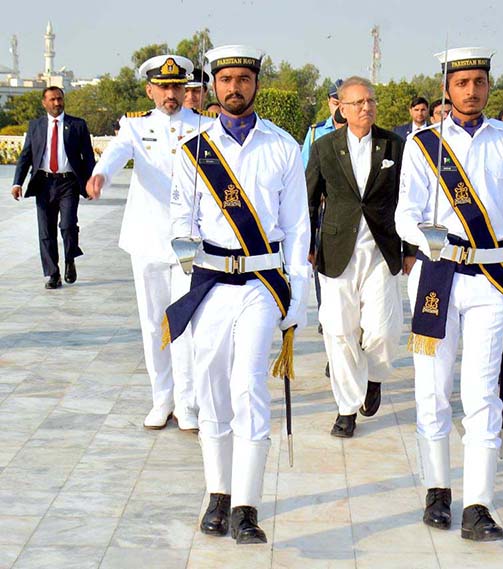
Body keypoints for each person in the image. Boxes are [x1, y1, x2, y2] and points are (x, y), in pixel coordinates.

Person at [166, 44, 311, 544]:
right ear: (212, 85)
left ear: (255, 84)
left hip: (262, 283)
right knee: (210, 385)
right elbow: (180, 220)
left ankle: (247, 506)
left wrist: (297, 297)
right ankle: (218, 494)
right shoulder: (194, 149)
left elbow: (296, 227)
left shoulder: (283, 146)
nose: (234, 87)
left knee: (249, 381)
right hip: (209, 282)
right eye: (225, 79)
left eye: (243, 79)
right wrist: (183, 260)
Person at [395, 47, 503, 542]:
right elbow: (403, 211)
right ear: (447, 88)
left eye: (479, 82)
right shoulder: (422, 144)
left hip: (491, 281)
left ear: (489, 85)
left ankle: (479, 504)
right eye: (461, 83)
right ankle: (437, 489)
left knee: (481, 394)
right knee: (433, 391)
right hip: (436, 276)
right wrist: (427, 237)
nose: (471, 91)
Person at [86, 54, 214, 431]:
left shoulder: (205, 126)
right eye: (164, 87)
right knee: (153, 323)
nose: (171, 94)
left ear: (186, 88)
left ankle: (188, 403)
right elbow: (114, 155)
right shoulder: (134, 127)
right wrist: (99, 176)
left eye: (177, 87)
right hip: (147, 239)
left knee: (185, 323)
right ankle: (162, 398)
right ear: (150, 90)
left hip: (190, 240)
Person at [306, 76, 412, 438]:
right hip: (337, 252)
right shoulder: (324, 147)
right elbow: (308, 197)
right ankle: (346, 408)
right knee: (339, 330)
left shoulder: (394, 146)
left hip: (382, 250)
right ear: (342, 108)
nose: (366, 108)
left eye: (371, 101)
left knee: (383, 328)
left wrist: (411, 250)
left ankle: (374, 378)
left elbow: (408, 201)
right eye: (358, 103)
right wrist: (305, 243)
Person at [11, 86, 95, 289]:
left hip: (69, 183)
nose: (57, 103)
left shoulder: (77, 125)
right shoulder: (36, 126)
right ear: (44, 103)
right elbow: (26, 156)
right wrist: (17, 182)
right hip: (43, 183)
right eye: (52, 100)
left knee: (67, 226)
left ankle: (70, 259)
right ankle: (53, 274)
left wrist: (91, 181)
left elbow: (88, 157)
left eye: (60, 99)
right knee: (46, 232)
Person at [301, 79, 343, 167]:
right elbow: (304, 167)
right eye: (335, 104)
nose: (340, 110)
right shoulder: (315, 132)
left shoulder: (358, 132)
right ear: (328, 101)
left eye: (343, 105)